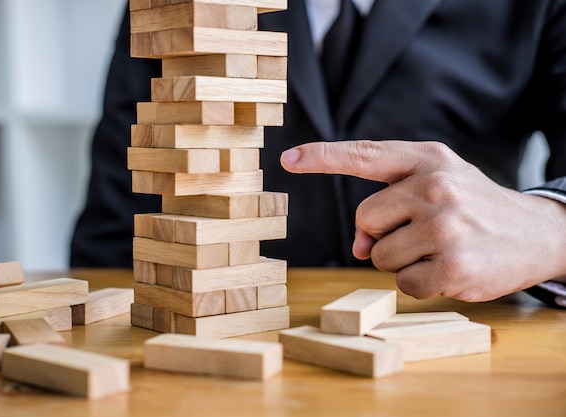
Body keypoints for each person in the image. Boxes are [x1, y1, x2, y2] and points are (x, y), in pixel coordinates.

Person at [70, 0, 566, 307]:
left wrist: (550, 229)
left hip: (458, 323)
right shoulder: (175, 9)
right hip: (232, 334)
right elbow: (117, 223)